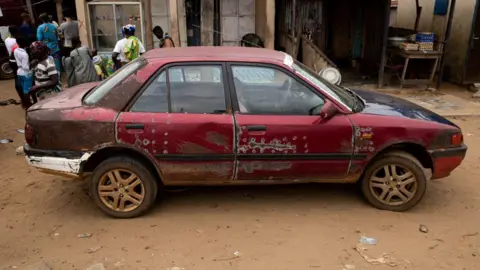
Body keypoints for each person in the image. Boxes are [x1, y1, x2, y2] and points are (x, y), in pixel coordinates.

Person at [13, 36, 34, 108]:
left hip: (19, 72)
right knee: (27, 91)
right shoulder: (25, 54)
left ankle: (24, 103)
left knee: (23, 89)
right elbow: (25, 67)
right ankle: (28, 105)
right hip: (26, 73)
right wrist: (31, 66)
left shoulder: (15, 50)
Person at [5, 26, 23, 102]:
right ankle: (25, 96)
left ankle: (22, 98)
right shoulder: (16, 40)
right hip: (17, 60)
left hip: (11, 60)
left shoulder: (6, 40)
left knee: (16, 77)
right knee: (22, 77)